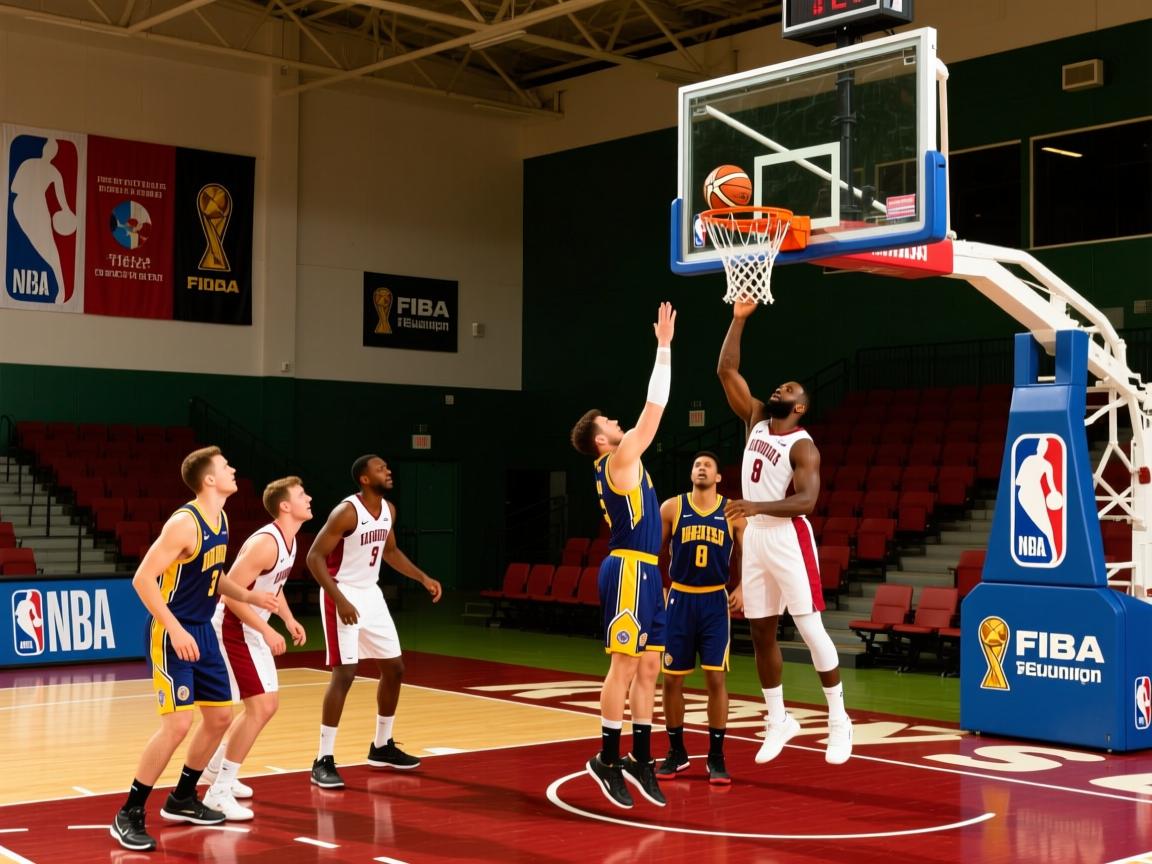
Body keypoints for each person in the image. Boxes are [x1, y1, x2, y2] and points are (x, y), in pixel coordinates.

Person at [111, 446, 280, 852]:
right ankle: (128, 813)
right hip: (173, 633)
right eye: (225, 467)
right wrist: (175, 629)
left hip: (202, 630)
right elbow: (142, 579)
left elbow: (213, 575)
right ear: (208, 479)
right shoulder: (184, 524)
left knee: (220, 717)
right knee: (178, 725)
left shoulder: (219, 518)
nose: (233, 469)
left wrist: (251, 597)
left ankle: (183, 798)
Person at [716, 301, 853, 766]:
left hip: (787, 535)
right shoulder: (754, 417)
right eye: (779, 383)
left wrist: (756, 504)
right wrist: (739, 317)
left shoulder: (803, 444)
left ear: (799, 406)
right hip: (754, 536)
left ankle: (839, 719)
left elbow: (807, 502)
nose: (780, 387)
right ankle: (778, 719)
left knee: (810, 627)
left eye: (789, 388)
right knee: (759, 632)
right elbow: (726, 369)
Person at [568, 301, 676, 810]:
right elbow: (653, 412)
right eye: (611, 421)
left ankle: (639, 757)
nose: (618, 421)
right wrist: (663, 348)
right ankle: (606, 758)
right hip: (629, 567)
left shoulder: (624, 464)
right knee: (624, 666)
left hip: (650, 571)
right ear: (600, 439)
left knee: (650, 668)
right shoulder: (620, 458)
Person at [305, 455, 442, 789]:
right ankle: (323, 759)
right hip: (343, 592)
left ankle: (382, 746)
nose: (388, 471)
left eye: (387, 467)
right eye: (380, 469)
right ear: (364, 479)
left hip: (371, 594)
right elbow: (314, 557)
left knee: (395, 668)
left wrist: (423, 577)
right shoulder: (347, 511)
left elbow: (390, 552)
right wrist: (340, 599)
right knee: (345, 674)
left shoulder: (389, 510)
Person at [200, 476, 312, 820]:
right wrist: (266, 629)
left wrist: (287, 619)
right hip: (234, 628)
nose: (308, 498)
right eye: (301, 494)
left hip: (252, 628)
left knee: (267, 706)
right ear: (285, 506)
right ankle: (217, 791)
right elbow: (229, 593)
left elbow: (271, 589)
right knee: (259, 707)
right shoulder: (266, 543)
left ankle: (216, 771)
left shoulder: (290, 541)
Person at [656, 451, 744, 786]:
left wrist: (745, 589)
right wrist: (660, 588)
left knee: (716, 679)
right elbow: (653, 551)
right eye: (696, 465)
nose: (701, 468)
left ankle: (716, 756)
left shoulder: (732, 511)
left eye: (708, 465)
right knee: (672, 680)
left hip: (714, 601)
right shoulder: (672, 507)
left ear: (719, 477)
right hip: (680, 598)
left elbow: (749, 554)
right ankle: (676, 751)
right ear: (691, 474)